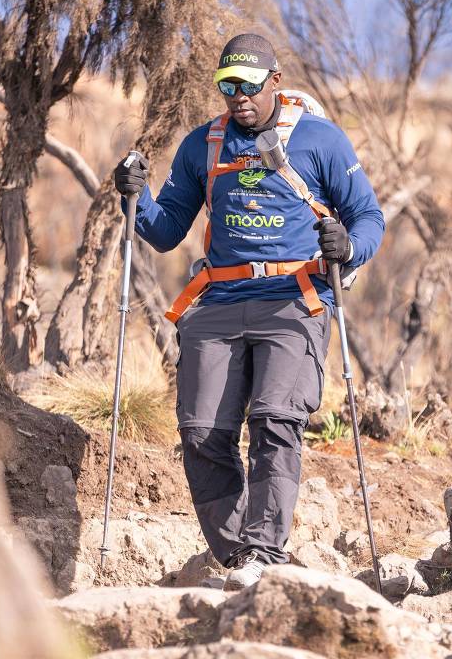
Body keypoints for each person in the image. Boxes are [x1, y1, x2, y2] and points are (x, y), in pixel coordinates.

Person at [114, 33, 384, 591]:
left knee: (274, 421)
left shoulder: (321, 141)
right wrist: (135, 198)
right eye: (227, 85)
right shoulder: (202, 147)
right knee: (201, 432)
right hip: (218, 303)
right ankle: (243, 560)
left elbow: (367, 217)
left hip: (295, 302)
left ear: (275, 84)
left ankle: (265, 550)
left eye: (250, 85)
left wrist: (346, 246)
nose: (239, 96)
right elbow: (165, 232)